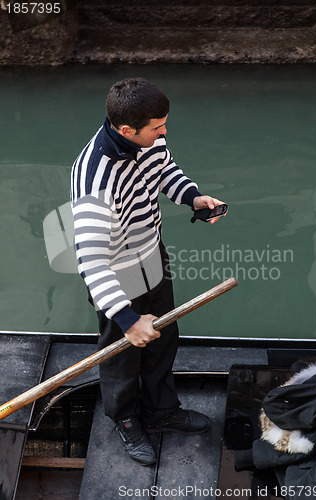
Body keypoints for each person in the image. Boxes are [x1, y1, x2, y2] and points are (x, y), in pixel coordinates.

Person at [70, 78, 225, 466]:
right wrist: (126, 318)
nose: (164, 133)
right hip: (115, 271)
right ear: (127, 130)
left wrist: (193, 196)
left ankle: (160, 410)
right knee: (121, 352)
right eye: (158, 128)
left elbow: (165, 171)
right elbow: (90, 261)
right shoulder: (94, 179)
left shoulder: (149, 139)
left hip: (151, 254)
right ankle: (124, 418)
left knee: (162, 336)